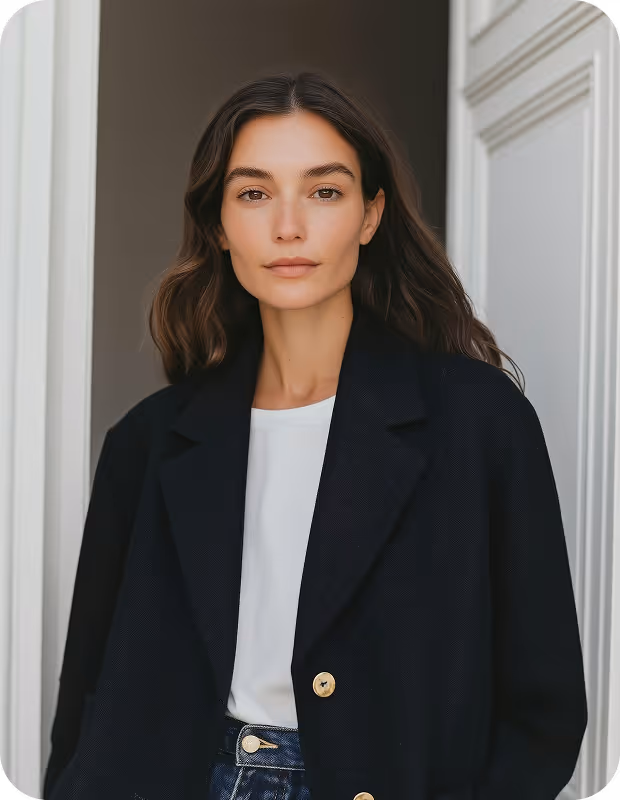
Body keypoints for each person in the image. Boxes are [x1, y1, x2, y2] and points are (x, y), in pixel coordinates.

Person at [43, 71, 588, 800]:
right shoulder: (145, 444)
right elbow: (86, 706)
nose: (288, 227)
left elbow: (545, 711)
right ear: (218, 225)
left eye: (324, 191)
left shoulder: (480, 422)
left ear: (371, 215)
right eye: (254, 193)